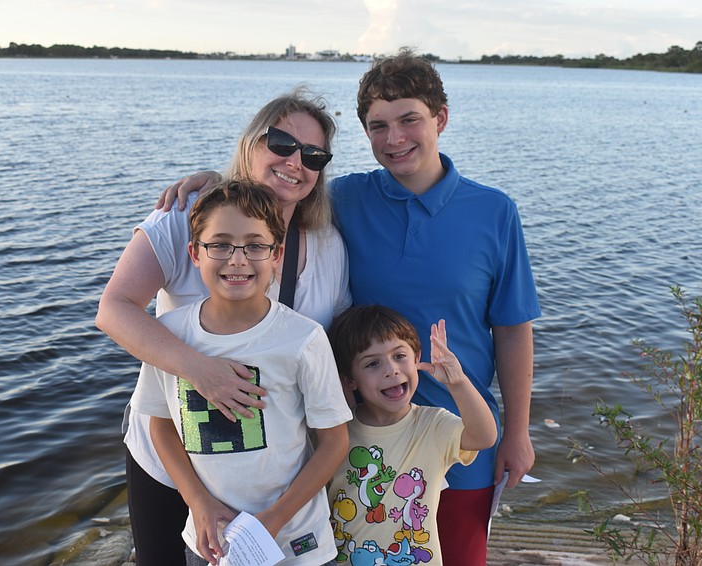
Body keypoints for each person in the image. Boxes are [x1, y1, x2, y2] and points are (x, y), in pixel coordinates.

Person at [160, 49, 541, 565]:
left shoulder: (494, 212)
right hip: (362, 433)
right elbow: (283, 188)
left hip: (457, 432)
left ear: (441, 120)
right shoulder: (347, 199)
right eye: (378, 126)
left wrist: (517, 432)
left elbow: (513, 328)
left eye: (410, 120)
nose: (394, 138)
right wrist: (219, 182)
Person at [95, 89, 351, 565]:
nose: (295, 161)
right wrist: (199, 370)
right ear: (251, 142)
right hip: (174, 460)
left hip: (268, 477)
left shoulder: (327, 245)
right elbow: (114, 309)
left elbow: (322, 356)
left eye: (313, 155)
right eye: (281, 143)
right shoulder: (186, 215)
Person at [326, 305, 497, 564]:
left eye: (399, 356)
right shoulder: (336, 432)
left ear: (417, 358)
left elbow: (484, 436)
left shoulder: (432, 424)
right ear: (349, 380)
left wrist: (458, 382)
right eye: (373, 363)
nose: (391, 370)